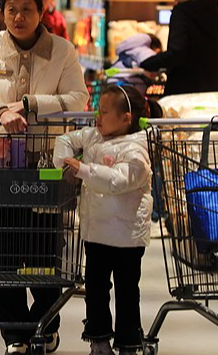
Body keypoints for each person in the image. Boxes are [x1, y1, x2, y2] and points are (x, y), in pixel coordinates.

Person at [0, 0, 89, 355]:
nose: (18, 16)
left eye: (26, 9)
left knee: (45, 252)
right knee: (2, 253)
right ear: (1, 13)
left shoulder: (62, 51)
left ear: (42, 12)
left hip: (45, 170)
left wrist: (29, 104)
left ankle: (43, 325)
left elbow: (78, 97)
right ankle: (15, 335)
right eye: (11, 9)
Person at [53, 85, 153, 355]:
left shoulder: (137, 150)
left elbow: (119, 180)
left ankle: (129, 342)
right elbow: (65, 141)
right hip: (96, 232)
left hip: (127, 236)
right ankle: (98, 340)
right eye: (97, 110)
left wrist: (83, 169)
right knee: (96, 288)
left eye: (105, 112)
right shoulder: (94, 136)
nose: (98, 116)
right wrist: (62, 164)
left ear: (125, 119)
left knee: (127, 290)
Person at [140, 0, 218, 96]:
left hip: (183, 90)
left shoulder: (181, 12)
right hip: (210, 88)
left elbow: (177, 53)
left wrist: (148, 63)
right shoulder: (212, 9)